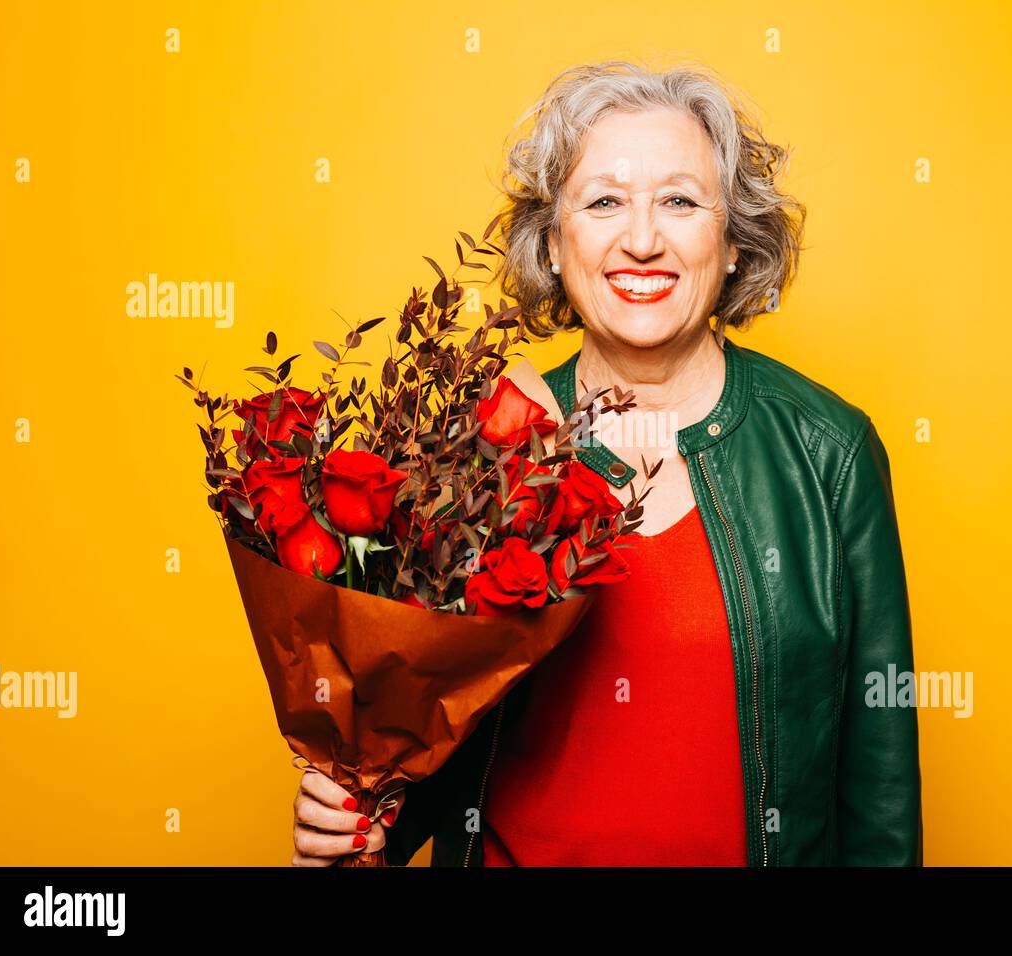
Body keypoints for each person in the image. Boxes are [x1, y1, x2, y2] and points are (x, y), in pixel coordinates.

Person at [294, 59, 922, 867]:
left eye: (680, 201)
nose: (641, 239)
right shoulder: (477, 451)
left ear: (733, 244)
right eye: (603, 202)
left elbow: (880, 797)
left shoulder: (830, 452)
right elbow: (414, 749)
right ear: (554, 245)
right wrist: (352, 825)